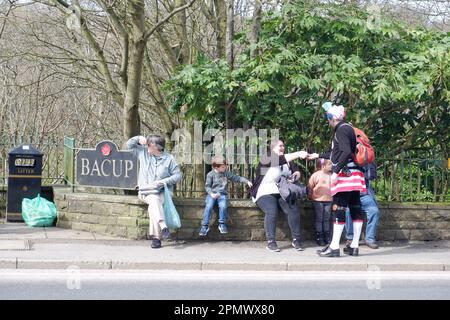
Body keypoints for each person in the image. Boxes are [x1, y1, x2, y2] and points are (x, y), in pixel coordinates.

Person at [308, 102, 367, 257]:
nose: (328, 122)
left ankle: (334, 247)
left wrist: (336, 171)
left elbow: (346, 151)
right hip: (356, 175)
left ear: (332, 118)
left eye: (328, 119)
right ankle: (354, 246)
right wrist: (318, 155)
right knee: (355, 208)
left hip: (345, 176)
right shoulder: (349, 128)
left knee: (338, 209)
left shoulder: (340, 130)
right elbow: (337, 152)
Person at [250, 139, 308, 252]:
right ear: (272, 148)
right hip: (265, 191)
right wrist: (298, 153)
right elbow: (279, 160)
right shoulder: (266, 157)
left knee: (293, 208)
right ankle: (271, 242)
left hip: (283, 191)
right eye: (280, 146)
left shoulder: (288, 161)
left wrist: (295, 176)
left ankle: (296, 239)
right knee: (272, 210)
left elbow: (296, 171)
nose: (283, 148)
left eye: (283, 146)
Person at [127, 134, 182, 249]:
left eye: (149, 144)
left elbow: (178, 176)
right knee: (154, 199)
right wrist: (138, 138)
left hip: (162, 192)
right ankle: (162, 227)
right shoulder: (143, 153)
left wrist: (163, 182)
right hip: (145, 192)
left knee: (154, 203)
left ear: (157, 147)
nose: (147, 145)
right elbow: (129, 145)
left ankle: (157, 238)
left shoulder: (169, 159)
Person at [199, 155, 253, 236]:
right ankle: (204, 226)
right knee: (209, 206)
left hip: (222, 195)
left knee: (223, 206)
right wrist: (211, 194)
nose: (225, 168)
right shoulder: (210, 174)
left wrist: (246, 181)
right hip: (212, 195)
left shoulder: (226, 173)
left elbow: (235, 177)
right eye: (223, 167)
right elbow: (207, 186)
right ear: (216, 167)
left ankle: (222, 224)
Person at [345, 163, 380, 250]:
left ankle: (370, 239)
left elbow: (372, 175)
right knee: (348, 211)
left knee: (374, 211)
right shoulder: (346, 161)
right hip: (351, 194)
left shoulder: (367, 162)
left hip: (364, 195)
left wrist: (362, 168)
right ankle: (350, 238)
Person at [308, 158, 333, 246]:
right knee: (319, 219)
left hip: (329, 200)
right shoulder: (316, 175)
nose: (331, 166)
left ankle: (327, 236)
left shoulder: (332, 175)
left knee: (326, 219)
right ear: (323, 166)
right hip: (318, 200)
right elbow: (310, 186)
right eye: (329, 164)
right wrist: (311, 196)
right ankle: (320, 236)